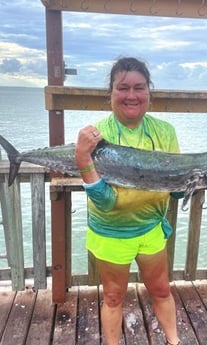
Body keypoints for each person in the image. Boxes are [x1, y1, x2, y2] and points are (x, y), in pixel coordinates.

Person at [75, 57, 181, 345]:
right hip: (110, 233)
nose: (131, 95)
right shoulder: (94, 136)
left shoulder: (165, 132)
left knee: (161, 291)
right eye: (123, 88)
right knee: (112, 297)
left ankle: (174, 341)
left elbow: (176, 188)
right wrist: (84, 159)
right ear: (110, 92)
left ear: (149, 91)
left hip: (151, 229)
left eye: (139, 87)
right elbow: (105, 201)